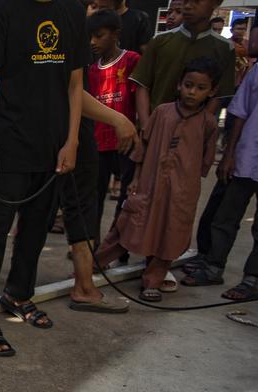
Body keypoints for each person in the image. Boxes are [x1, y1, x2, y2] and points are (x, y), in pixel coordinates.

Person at [0, 0, 86, 358]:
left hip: (53, 147)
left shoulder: (73, 12)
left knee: (36, 227)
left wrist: (72, 139)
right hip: (7, 142)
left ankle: (18, 293)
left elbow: (75, 85)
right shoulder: (2, 11)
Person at [95, 58, 219, 301]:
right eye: (188, 85)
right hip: (149, 184)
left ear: (211, 91)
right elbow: (143, 146)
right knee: (129, 225)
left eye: (200, 88)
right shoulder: (163, 112)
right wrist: (135, 179)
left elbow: (205, 161)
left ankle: (153, 280)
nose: (192, 92)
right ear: (179, 85)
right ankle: (95, 263)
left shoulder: (209, 124)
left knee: (170, 234)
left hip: (181, 190)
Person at [181, 63, 258, 300]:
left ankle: (252, 279)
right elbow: (241, 111)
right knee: (225, 216)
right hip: (247, 155)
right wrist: (230, 152)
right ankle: (213, 267)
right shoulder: (257, 71)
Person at [88, 9, 139, 224]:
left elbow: (139, 100)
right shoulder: (91, 70)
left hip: (126, 143)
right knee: (94, 197)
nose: (92, 42)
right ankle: (92, 243)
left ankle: (118, 245)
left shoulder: (131, 61)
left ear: (116, 34)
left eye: (99, 36)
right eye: (90, 37)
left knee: (126, 199)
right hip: (98, 144)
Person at [231, 17, 251, 87]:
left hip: (246, 81)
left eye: (243, 29)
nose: (241, 31)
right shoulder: (225, 44)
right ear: (231, 30)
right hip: (230, 80)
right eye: (238, 29)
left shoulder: (250, 45)